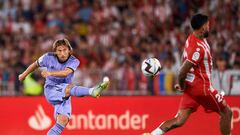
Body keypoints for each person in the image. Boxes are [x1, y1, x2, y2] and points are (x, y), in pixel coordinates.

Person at [143, 14, 232, 135]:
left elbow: (183, 59)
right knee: (226, 112)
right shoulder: (198, 48)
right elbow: (182, 71)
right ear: (202, 28)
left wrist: (184, 83)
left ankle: (152, 134)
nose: (209, 27)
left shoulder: (191, 38)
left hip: (191, 88)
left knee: (179, 120)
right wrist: (181, 84)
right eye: (208, 25)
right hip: (202, 88)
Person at [19, 38, 110, 135]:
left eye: (65, 50)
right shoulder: (47, 57)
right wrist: (23, 75)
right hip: (51, 89)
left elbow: (66, 72)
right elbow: (35, 64)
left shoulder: (74, 61)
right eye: (59, 50)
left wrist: (50, 73)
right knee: (69, 88)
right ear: (55, 52)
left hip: (65, 94)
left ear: (69, 50)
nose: (62, 53)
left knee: (63, 121)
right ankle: (92, 91)